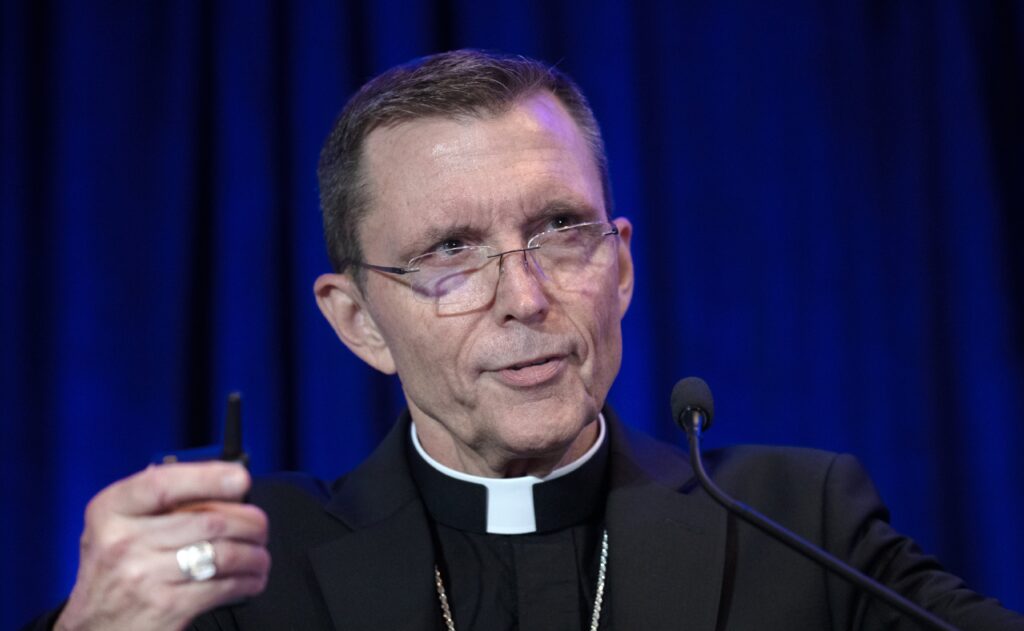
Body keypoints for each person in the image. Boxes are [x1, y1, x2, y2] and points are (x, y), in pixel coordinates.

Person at [34, 49, 1023, 631]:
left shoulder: (797, 524)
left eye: (559, 230)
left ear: (621, 267)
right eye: (451, 253)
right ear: (357, 319)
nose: (528, 296)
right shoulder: (247, 568)